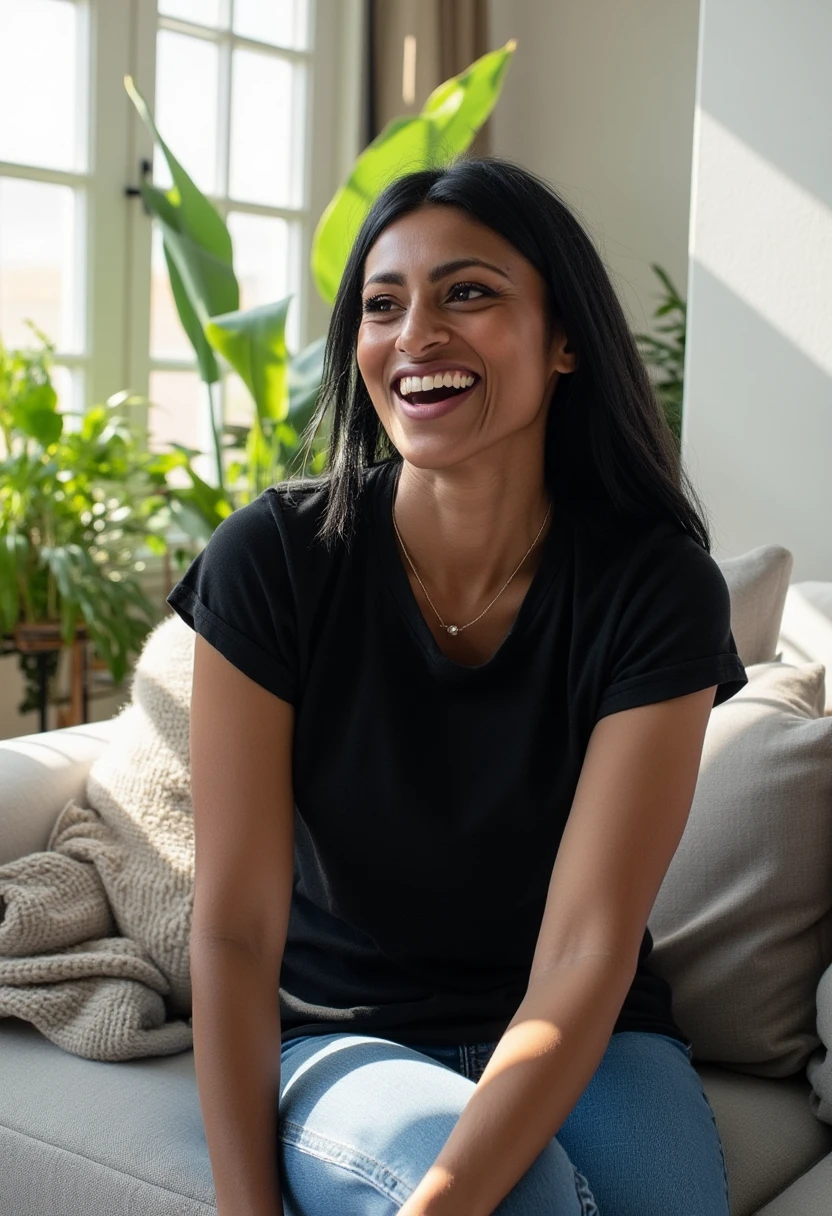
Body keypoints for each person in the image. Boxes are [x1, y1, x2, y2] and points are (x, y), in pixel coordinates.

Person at [167, 155, 747, 1216]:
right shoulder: (272, 560)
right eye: (382, 306)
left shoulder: (656, 588)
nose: (416, 335)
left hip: (590, 1019)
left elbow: (584, 947)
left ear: (564, 339)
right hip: (348, 1032)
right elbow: (235, 928)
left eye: (467, 292)